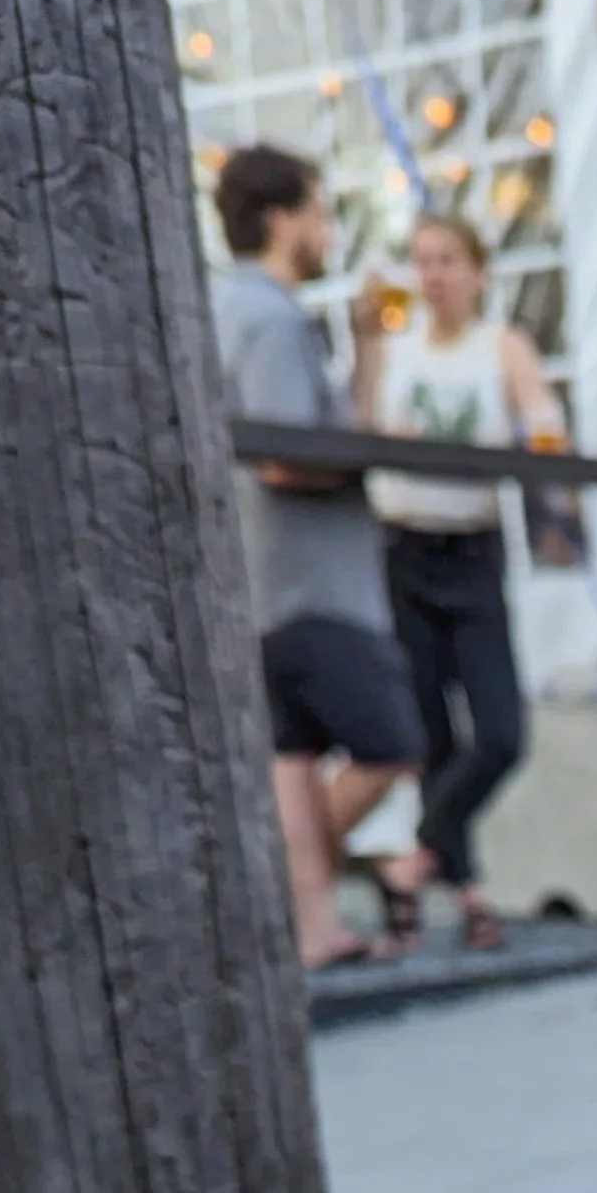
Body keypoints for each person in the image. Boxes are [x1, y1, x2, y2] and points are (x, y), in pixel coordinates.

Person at [212, 147, 422, 971]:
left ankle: (311, 926)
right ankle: (276, 900)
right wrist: (371, 452)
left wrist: (368, 347)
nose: (328, 230)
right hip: (313, 581)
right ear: (279, 219)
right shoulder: (267, 319)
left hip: (267, 578)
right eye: (319, 211)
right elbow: (287, 457)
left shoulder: (241, 309)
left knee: (294, 764)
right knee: (391, 744)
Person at [357, 215, 557, 953]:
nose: (434, 274)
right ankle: (469, 894)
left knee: (499, 734)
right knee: (432, 736)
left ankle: (410, 866)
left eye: (447, 260)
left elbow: (543, 421)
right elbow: (366, 427)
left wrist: (537, 438)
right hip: (405, 545)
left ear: (478, 271)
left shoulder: (500, 347)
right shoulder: (395, 347)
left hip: (471, 549)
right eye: (423, 261)